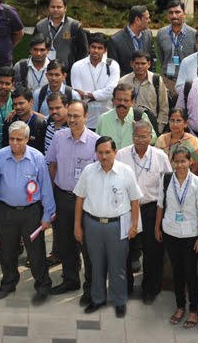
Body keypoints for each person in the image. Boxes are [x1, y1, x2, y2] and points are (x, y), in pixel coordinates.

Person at [74, 136, 142, 317]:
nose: (104, 156)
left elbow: (135, 201)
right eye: (100, 153)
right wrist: (77, 225)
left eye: (107, 152)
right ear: (95, 153)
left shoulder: (126, 171)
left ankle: (119, 300)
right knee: (95, 264)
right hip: (93, 224)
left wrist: (134, 225)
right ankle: (97, 299)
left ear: (115, 152)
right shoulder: (88, 171)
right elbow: (79, 199)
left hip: (117, 225)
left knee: (118, 265)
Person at [0, 120, 52, 302]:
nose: (15, 143)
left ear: (27, 139)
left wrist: (47, 215)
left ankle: (42, 285)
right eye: (11, 139)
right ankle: (8, 282)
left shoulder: (38, 158)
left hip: (31, 213)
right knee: (6, 250)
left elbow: (46, 188)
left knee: (36, 252)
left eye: (19, 139)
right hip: (6, 212)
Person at [46, 99, 99, 295]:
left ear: (86, 116)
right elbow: (52, 164)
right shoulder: (59, 137)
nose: (72, 120)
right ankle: (70, 279)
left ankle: (91, 286)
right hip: (63, 196)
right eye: (69, 115)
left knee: (87, 244)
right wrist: (51, 193)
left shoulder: (95, 141)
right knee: (66, 241)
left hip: (86, 200)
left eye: (77, 116)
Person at [158, 143, 198, 327]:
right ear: (172, 162)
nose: (180, 165)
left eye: (183, 161)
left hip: (191, 234)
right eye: (176, 162)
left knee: (190, 274)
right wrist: (158, 228)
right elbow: (160, 205)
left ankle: (194, 309)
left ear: (190, 162)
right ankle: (180, 306)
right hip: (171, 231)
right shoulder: (166, 180)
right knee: (176, 273)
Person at [126, 118, 168, 303]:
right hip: (127, 210)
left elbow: (167, 184)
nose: (140, 140)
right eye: (137, 136)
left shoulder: (160, 156)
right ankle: (125, 288)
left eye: (144, 136)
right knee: (125, 251)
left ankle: (150, 289)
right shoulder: (122, 155)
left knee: (153, 252)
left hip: (151, 209)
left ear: (151, 137)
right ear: (132, 136)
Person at [71, 33, 120, 121]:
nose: (96, 51)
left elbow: (111, 92)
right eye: (93, 47)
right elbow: (78, 95)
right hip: (85, 120)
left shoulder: (112, 65)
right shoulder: (77, 66)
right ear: (88, 48)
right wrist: (100, 96)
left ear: (105, 50)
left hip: (107, 118)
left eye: (100, 48)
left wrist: (87, 95)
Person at [35, 0, 88, 67]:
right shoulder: (40, 26)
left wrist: (77, 68)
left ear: (65, 8)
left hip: (67, 72)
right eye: (52, 7)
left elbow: (83, 50)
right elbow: (33, 49)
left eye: (59, 7)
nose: (55, 10)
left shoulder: (75, 26)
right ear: (48, 8)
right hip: (44, 71)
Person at [126, 50, 170, 130]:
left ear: (149, 64)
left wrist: (159, 128)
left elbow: (164, 107)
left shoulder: (156, 80)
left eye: (143, 63)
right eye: (137, 63)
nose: (140, 66)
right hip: (129, 126)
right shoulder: (123, 81)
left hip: (151, 127)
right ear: (131, 64)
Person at [155, 0, 196, 85]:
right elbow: (161, 57)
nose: (174, 16)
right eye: (171, 13)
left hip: (188, 81)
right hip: (167, 79)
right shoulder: (161, 33)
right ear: (167, 15)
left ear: (184, 14)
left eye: (177, 12)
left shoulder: (194, 34)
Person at [95, 82, 145, 150]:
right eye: (119, 100)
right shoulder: (103, 119)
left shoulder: (140, 117)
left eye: (126, 100)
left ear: (132, 102)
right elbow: (97, 143)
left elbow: (153, 139)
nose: (122, 103)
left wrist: (141, 132)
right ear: (113, 101)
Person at [157, 106, 198, 171]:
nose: (175, 124)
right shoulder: (161, 140)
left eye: (178, 121)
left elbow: (196, 169)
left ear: (185, 123)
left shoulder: (193, 142)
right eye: (172, 120)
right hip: (163, 178)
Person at [108, 3, 154, 73]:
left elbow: (152, 59)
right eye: (147, 18)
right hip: (125, 82)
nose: (149, 20)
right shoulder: (116, 41)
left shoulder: (148, 34)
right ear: (137, 20)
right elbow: (113, 69)